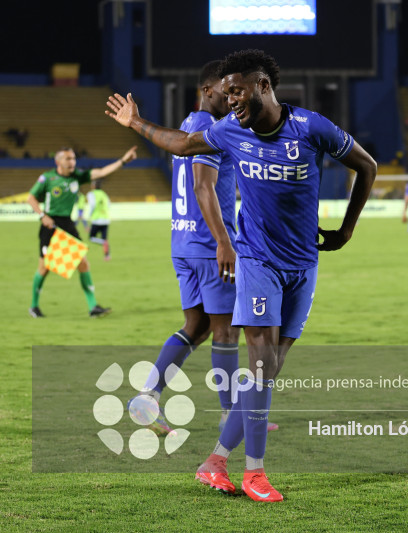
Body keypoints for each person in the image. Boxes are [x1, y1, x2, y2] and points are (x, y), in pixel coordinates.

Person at [106, 49, 377, 502]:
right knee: (259, 365)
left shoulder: (311, 128)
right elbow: (183, 145)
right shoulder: (230, 130)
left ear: (263, 86)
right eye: (226, 92)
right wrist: (135, 122)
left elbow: (367, 166)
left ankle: (214, 462)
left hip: (303, 266)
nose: (230, 99)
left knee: (267, 372)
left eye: (237, 91)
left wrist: (347, 229)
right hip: (256, 263)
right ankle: (255, 473)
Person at [128, 61, 275, 438]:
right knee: (226, 332)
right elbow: (202, 186)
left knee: (196, 327)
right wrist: (224, 241)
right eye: (227, 93)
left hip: (183, 243)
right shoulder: (207, 128)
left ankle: (148, 395)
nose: (232, 99)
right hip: (210, 247)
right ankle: (231, 416)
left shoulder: (188, 125)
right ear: (207, 91)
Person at [27, 145, 137, 318]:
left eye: (73, 158)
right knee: (45, 267)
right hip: (50, 224)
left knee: (83, 263)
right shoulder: (47, 178)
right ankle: (34, 306)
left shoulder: (77, 177)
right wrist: (42, 216)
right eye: (68, 159)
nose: (72, 162)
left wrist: (123, 161)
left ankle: (93, 307)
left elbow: (101, 172)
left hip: (67, 224)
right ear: (58, 161)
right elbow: (30, 198)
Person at [86, 180, 111, 260]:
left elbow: (92, 205)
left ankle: (103, 242)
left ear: (93, 186)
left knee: (91, 238)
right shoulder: (104, 194)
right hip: (105, 219)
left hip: (96, 219)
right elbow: (108, 204)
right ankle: (107, 256)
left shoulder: (91, 194)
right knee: (105, 238)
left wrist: (90, 215)